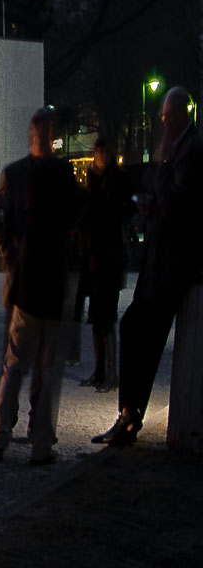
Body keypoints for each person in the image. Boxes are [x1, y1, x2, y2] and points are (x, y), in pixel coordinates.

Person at [98, 87, 203, 447]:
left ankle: (130, 414)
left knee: (139, 329)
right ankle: (129, 413)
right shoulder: (182, 151)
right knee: (137, 329)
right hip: (163, 261)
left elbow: (176, 204)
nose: (162, 123)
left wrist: (159, 174)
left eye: (165, 116)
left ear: (179, 116)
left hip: (172, 266)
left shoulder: (187, 151)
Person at [0, 107, 83, 465]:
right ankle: (35, 439)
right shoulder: (59, 175)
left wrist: (9, 254)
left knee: (16, 364)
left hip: (27, 283)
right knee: (39, 368)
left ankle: (2, 436)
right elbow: (75, 217)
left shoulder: (19, 174)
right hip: (42, 283)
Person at [76, 135, 134, 390]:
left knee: (106, 317)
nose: (100, 156)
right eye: (98, 152)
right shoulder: (93, 181)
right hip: (95, 258)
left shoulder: (115, 181)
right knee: (97, 317)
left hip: (108, 258)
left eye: (103, 152)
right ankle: (101, 371)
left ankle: (109, 372)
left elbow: (118, 212)